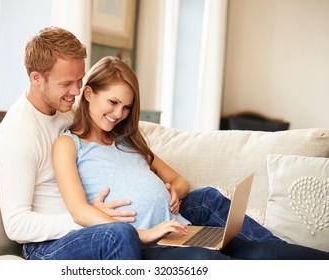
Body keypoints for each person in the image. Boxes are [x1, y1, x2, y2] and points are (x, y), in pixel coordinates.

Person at [53, 56, 329, 260]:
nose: (119, 114)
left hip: (178, 231)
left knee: (264, 252)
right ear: (88, 94)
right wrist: (143, 234)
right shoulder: (69, 144)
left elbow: (180, 181)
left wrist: (171, 191)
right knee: (212, 262)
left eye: (127, 107)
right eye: (113, 102)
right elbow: (79, 210)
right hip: (145, 243)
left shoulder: (127, 140)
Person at [0, 27, 142, 260]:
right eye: (66, 83)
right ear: (37, 78)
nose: (77, 91)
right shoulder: (17, 134)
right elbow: (17, 225)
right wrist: (84, 217)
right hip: (50, 245)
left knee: (202, 201)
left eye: (80, 80)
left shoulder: (67, 113)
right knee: (119, 235)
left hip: (92, 226)